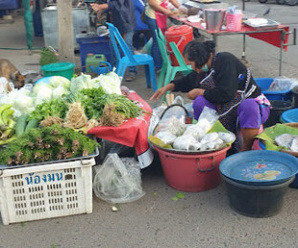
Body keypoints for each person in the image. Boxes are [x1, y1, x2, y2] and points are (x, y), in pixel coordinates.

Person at [150, 40, 271, 153]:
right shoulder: (204, 69)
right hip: (227, 108)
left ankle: (246, 149)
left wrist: (201, 92)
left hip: (251, 108)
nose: (191, 67)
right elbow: (187, 81)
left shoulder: (225, 60)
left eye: (190, 63)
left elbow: (226, 93)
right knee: (199, 102)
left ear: (199, 59)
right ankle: (212, 145)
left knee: (248, 105)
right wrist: (166, 88)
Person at [90, 0, 137, 82]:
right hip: (115, 23)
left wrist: (100, 7)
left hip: (125, 21)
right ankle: (114, 72)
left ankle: (132, 71)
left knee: (127, 47)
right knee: (113, 47)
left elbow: (118, 4)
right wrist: (101, 8)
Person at [144, 0, 186, 72]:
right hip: (153, 16)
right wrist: (165, 11)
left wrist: (179, 6)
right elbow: (152, 3)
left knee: (159, 40)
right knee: (157, 41)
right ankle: (158, 66)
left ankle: (158, 62)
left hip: (161, 15)